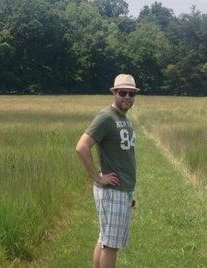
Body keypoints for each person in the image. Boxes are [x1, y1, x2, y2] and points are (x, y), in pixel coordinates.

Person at [75, 74, 139, 268]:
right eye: (122, 93)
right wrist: (97, 177)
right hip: (112, 192)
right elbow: (82, 146)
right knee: (111, 246)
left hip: (121, 191)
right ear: (114, 93)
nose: (127, 97)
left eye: (131, 93)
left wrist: (128, 192)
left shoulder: (123, 118)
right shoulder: (106, 117)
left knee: (105, 239)